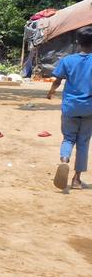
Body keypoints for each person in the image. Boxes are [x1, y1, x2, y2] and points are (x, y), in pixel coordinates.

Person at [48, 26, 92, 190]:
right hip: (89, 108)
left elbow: (57, 81)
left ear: (77, 42)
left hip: (70, 106)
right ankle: (76, 180)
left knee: (68, 138)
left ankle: (64, 160)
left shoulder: (67, 60)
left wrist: (50, 93)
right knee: (83, 142)